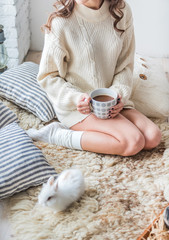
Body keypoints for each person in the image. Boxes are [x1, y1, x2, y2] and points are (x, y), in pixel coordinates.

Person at [27, 0, 161, 156]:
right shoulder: (61, 23)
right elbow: (47, 76)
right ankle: (57, 135)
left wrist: (118, 95)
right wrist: (75, 98)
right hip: (79, 107)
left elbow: (125, 65)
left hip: (110, 99)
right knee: (133, 142)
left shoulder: (121, 11)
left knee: (153, 137)